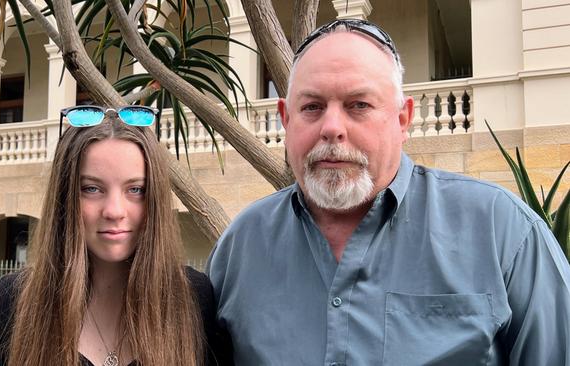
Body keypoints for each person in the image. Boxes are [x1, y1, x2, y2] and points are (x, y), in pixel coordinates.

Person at [206, 19, 570, 365]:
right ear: (286, 119)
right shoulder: (241, 248)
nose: (332, 128)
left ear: (402, 119)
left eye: (358, 105)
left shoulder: (502, 232)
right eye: (312, 107)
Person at [0, 105, 232, 365]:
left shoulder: (194, 299)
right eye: (91, 188)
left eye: (135, 189)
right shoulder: (12, 302)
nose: (114, 211)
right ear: (65, 197)